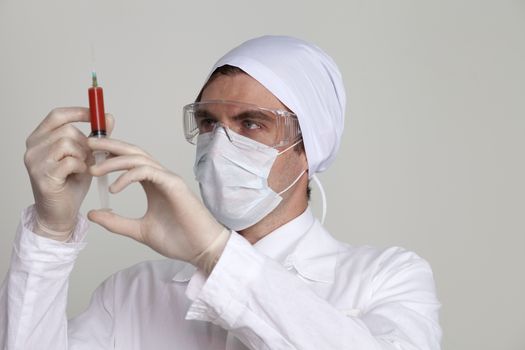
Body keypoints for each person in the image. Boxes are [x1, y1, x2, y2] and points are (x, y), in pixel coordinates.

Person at [0, 36, 441, 349]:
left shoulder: (386, 277)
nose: (220, 145)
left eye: (251, 124)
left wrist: (215, 253)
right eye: (209, 123)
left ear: (309, 146)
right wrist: (50, 232)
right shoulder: (133, 293)